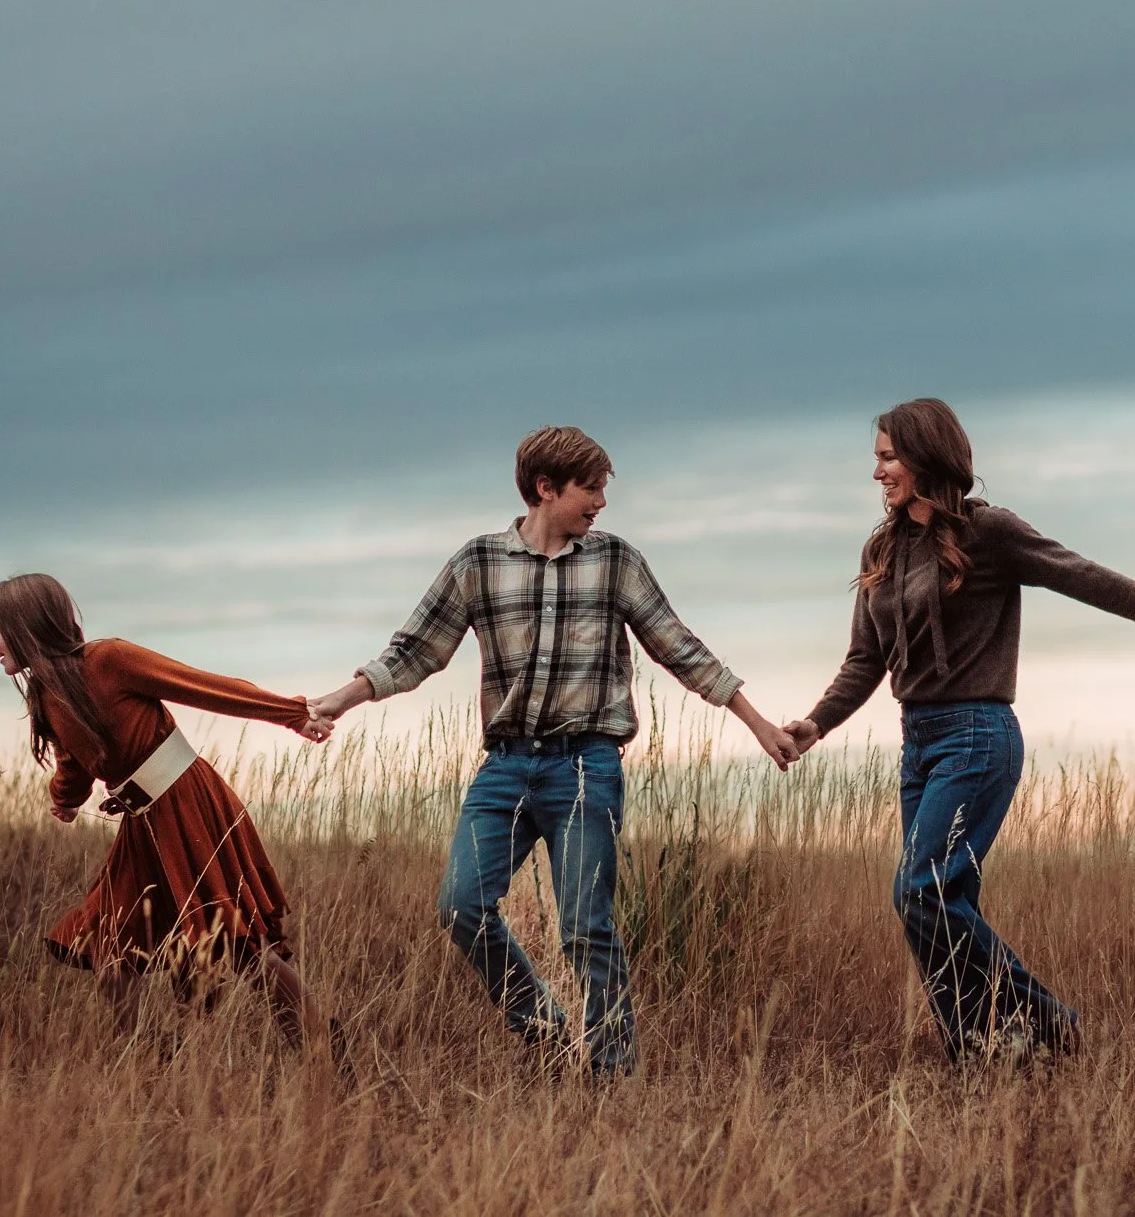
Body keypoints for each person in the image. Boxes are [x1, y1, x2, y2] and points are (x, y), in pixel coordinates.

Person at [308, 426, 798, 1077]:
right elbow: (414, 651)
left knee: (583, 928)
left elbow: (678, 645)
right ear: (546, 487)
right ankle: (544, 1032)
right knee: (461, 905)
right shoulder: (477, 563)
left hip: (583, 766)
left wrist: (757, 721)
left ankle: (611, 1072)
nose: (600, 502)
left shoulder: (615, 561)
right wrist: (339, 699)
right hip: (505, 769)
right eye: (590, 488)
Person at [780, 398, 1135, 1064]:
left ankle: (1052, 1023)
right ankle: (980, 1050)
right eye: (876, 458)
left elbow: (1086, 576)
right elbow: (865, 660)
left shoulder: (989, 532)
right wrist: (815, 722)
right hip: (919, 740)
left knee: (920, 889)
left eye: (888, 457)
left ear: (927, 454)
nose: (877, 472)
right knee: (943, 899)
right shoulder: (884, 546)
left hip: (976, 737)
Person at [0, 572, 340, 1055]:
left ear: (26, 625)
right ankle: (164, 1068)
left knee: (239, 947)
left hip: (188, 807)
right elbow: (76, 761)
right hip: (141, 827)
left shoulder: (109, 660)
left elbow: (202, 686)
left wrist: (293, 712)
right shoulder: (47, 696)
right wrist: (65, 800)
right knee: (109, 946)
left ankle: (322, 1051)